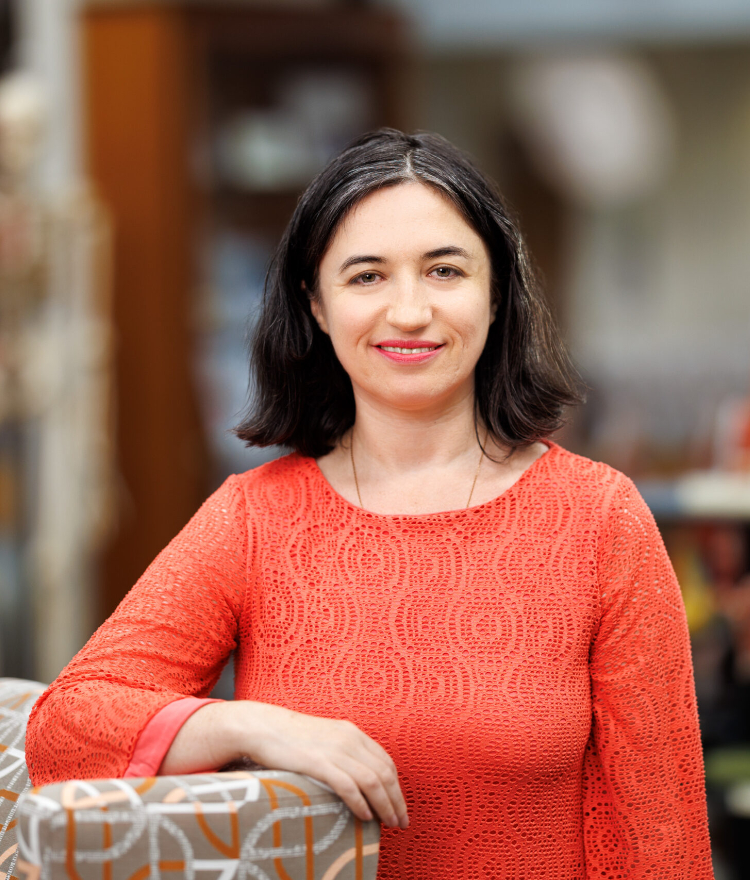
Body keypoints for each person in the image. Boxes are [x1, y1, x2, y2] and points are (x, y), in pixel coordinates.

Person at [26, 129, 714, 878]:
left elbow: (660, 833)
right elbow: (65, 729)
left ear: (496, 293)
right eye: (367, 277)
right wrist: (251, 726)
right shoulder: (254, 520)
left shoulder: (600, 518)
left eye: (444, 270)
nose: (410, 311)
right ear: (315, 305)